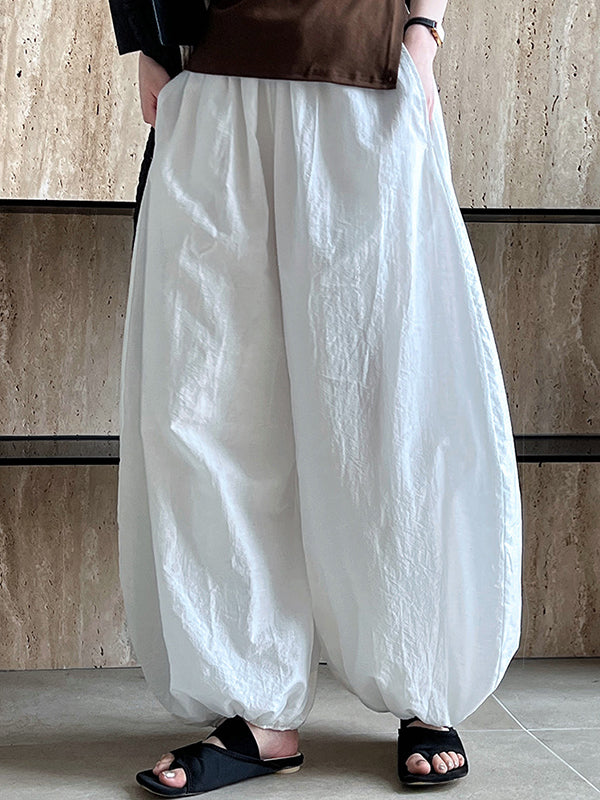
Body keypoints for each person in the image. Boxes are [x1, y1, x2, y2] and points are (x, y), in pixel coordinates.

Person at [109, 0, 523, 795]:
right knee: (206, 408)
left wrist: (423, 32)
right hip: (214, 68)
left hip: (361, 72)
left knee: (391, 401)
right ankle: (256, 710)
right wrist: (148, 44)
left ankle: (423, 686)